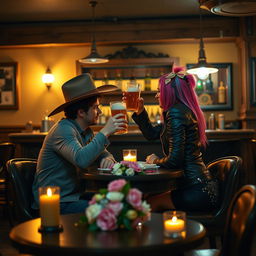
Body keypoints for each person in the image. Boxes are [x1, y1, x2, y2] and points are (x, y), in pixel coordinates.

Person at [32, 73, 127, 214]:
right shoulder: (63, 130)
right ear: (81, 112)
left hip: (74, 197)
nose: (100, 112)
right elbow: (81, 159)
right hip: (55, 204)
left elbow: (105, 154)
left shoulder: (86, 131)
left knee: (121, 202)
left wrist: (107, 158)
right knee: (112, 210)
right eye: (96, 107)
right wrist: (105, 131)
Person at [130, 66, 219, 212]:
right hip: (201, 186)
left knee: (147, 203)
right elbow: (152, 134)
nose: (156, 95)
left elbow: (174, 160)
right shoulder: (181, 110)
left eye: (160, 91)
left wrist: (154, 161)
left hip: (196, 191)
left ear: (169, 93)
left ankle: (147, 235)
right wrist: (140, 111)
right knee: (146, 197)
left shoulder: (176, 112)